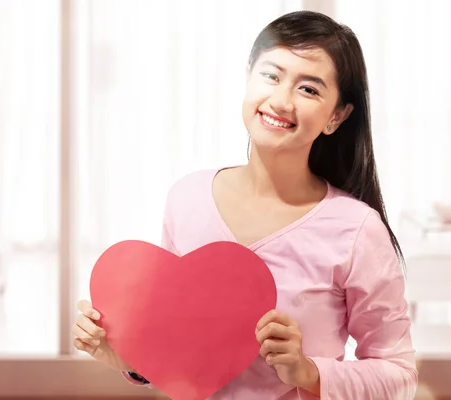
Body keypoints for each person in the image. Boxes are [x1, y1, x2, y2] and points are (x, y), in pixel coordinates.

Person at [72, 10, 418, 400]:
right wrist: (128, 357)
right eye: (271, 75)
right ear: (249, 76)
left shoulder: (357, 230)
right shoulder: (187, 198)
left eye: (309, 89)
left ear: (336, 117)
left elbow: (400, 375)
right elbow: (180, 354)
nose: (281, 100)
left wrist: (307, 372)